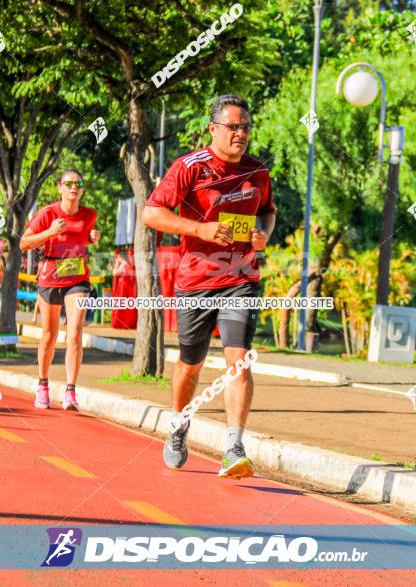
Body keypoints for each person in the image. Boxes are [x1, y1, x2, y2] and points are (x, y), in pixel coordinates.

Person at [142, 95, 275, 479]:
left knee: (239, 361)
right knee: (191, 364)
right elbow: (152, 213)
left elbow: (268, 211)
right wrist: (198, 228)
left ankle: (234, 447)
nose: (241, 134)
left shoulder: (257, 171)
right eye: (234, 126)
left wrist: (262, 235)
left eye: (246, 127)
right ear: (213, 129)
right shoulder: (189, 167)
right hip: (196, 281)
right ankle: (179, 425)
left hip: (241, 278)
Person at [20, 169, 99, 411]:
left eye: (78, 183)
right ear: (60, 188)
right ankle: (43, 385)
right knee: (49, 335)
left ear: (82, 189)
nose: (74, 187)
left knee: (74, 332)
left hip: (78, 279)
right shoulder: (47, 214)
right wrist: (51, 232)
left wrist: (93, 238)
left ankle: (70, 391)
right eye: (69, 183)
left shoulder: (89, 215)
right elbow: (24, 243)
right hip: (50, 278)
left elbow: (80, 240)